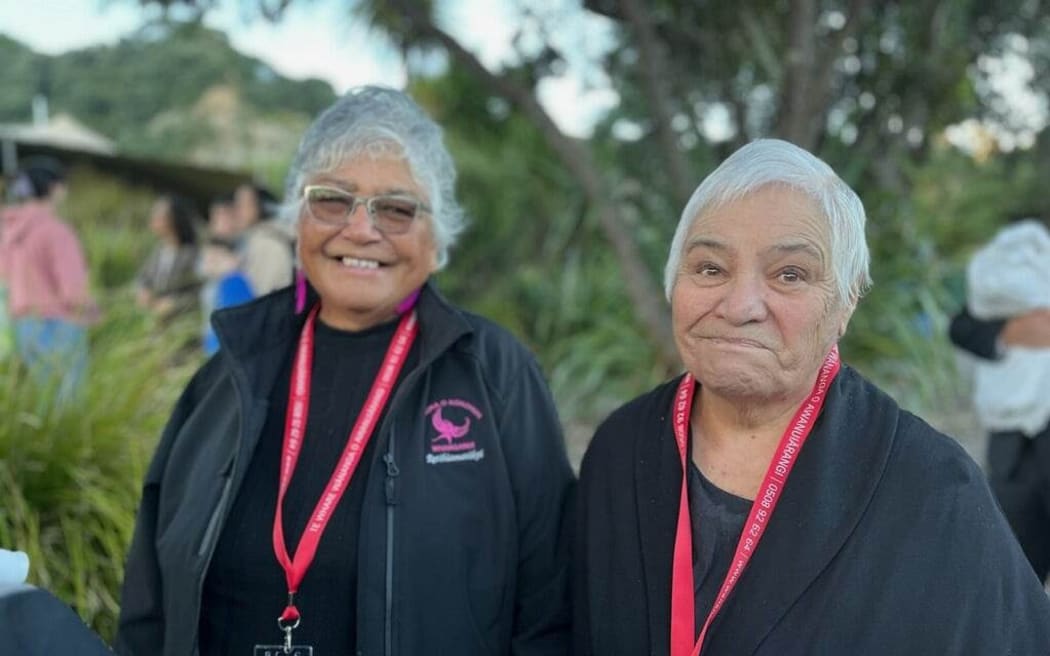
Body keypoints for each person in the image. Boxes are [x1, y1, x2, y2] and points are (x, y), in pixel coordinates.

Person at [116, 85, 573, 656]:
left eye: (397, 208)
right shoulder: (227, 373)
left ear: (437, 242)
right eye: (332, 200)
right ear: (297, 221)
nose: (361, 229)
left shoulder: (495, 375)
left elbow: (550, 604)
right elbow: (150, 601)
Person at [572, 139, 1050, 656]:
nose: (740, 306)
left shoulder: (933, 489)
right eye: (710, 268)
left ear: (845, 304)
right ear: (674, 281)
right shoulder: (619, 450)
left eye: (790, 274)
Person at [949, 216, 1050, 584]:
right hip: (1012, 446)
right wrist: (1010, 332)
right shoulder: (1015, 276)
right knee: (1015, 572)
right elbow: (961, 327)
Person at [0, 157, 96, 402]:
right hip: (59, 324)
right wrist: (94, 312)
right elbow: (73, 291)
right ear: (56, 188)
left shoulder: (9, 230)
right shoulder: (56, 231)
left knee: (43, 398)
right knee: (68, 401)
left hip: (23, 325)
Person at [134, 193, 202, 321]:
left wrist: (174, 304)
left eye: (158, 215)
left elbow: (198, 293)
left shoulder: (191, 254)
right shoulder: (157, 252)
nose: (153, 219)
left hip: (180, 324)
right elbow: (143, 278)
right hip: (156, 323)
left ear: (173, 220)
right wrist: (143, 290)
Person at [233, 182, 296, 295]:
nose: (237, 211)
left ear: (262, 206)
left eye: (243, 204)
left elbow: (265, 293)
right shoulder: (258, 237)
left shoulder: (267, 242)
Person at [198, 234, 255, 355]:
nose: (211, 263)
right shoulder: (213, 285)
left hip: (228, 351)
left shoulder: (234, 281)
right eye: (207, 259)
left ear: (234, 258)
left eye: (217, 258)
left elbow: (234, 323)